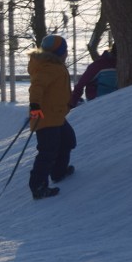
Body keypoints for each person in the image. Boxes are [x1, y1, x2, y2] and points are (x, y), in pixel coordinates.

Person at [28, 35, 77, 200]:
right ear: (59, 53)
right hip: (46, 118)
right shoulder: (49, 67)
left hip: (56, 115)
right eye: (65, 50)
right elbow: (37, 87)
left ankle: (59, 172)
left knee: (68, 140)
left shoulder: (54, 66)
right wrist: (35, 107)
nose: (67, 53)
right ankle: (38, 187)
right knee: (47, 151)